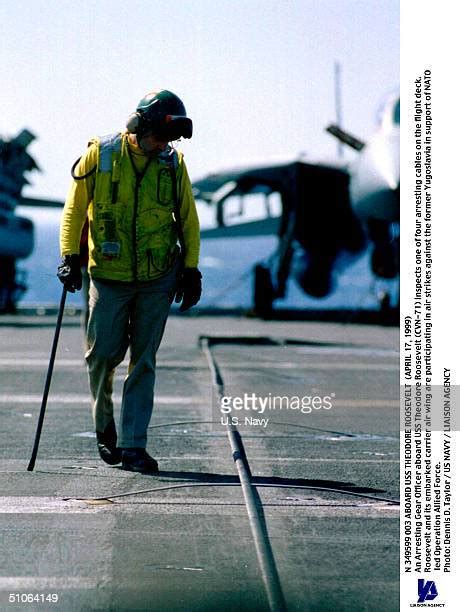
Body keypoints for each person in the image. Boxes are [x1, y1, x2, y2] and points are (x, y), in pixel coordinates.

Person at [57, 90, 201, 473]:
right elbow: (74, 209)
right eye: (159, 137)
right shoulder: (101, 155)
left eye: (169, 141)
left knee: (143, 362)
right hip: (108, 275)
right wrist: (70, 257)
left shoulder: (172, 163)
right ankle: (105, 430)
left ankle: (134, 445)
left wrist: (190, 268)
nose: (162, 146)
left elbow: (187, 217)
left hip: (158, 277)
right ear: (138, 127)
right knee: (102, 356)